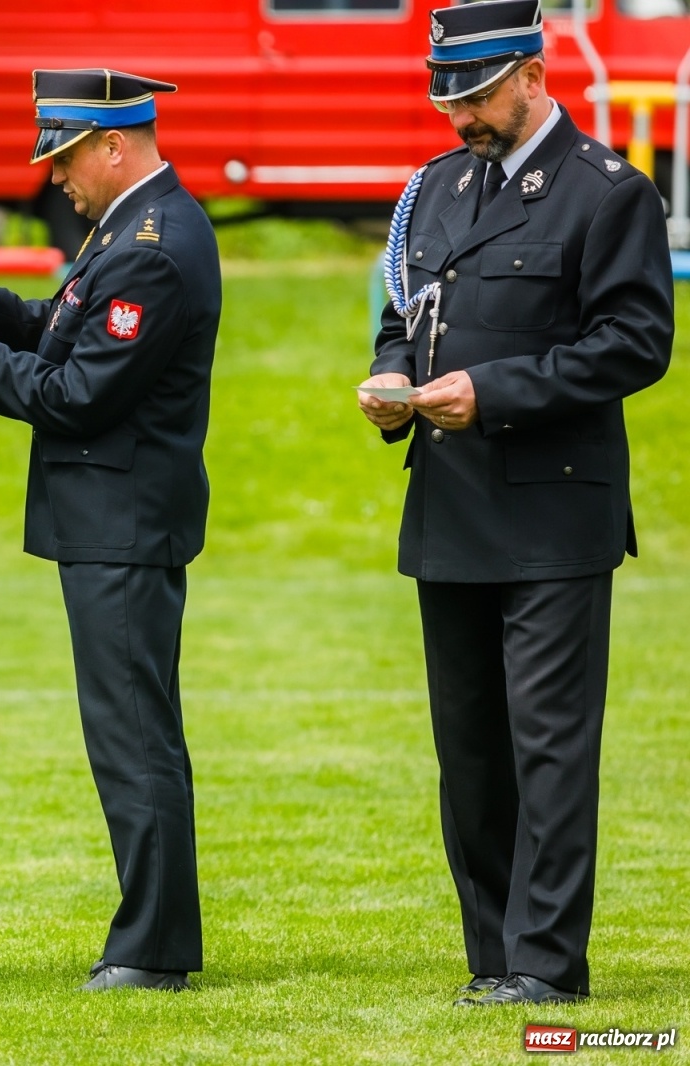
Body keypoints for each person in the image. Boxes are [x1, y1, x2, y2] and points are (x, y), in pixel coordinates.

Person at [359, 0, 672, 1007]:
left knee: (546, 745)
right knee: (470, 750)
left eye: (478, 94)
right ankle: (491, 954)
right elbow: (405, 309)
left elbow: (634, 344)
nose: (461, 116)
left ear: (531, 74)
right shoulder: (437, 185)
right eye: (447, 96)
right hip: (448, 506)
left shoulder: (605, 192)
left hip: (550, 512)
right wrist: (392, 382)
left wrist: (491, 392)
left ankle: (545, 965)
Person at [0, 69, 220, 991]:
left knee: (133, 737)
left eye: (63, 157)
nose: (53, 176)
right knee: (129, 732)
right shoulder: (128, 229)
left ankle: (154, 948)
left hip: (122, 525)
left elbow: (75, 397)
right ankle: (155, 935)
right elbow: (62, 332)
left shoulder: (152, 248)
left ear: (113, 146)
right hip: (112, 523)